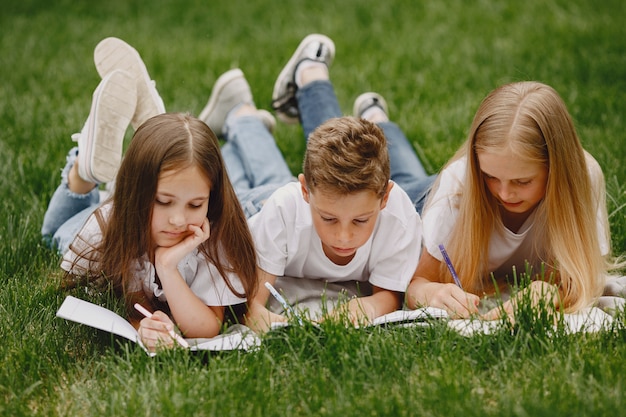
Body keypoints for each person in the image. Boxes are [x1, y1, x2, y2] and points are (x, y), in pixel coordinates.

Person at [42, 37, 258, 351]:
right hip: (96, 220)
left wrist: (168, 267)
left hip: (133, 197)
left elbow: (208, 327)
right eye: (163, 201)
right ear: (138, 194)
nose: (178, 219)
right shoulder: (100, 230)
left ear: (211, 198)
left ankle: (149, 134)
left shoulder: (215, 230)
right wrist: (138, 325)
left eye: (195, 203)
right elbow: (80, 305)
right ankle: (83, 172)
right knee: (54, 235)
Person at [197, 34, 424, 331]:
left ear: (385, 197)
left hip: (289, 206)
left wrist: (366, 305)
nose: (343, 237)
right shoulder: (286, 209)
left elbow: (389, 296)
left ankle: (241, 114)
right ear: (305, 190)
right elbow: (251, 307)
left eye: (360, 221)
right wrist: (282, 329)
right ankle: (240, 116)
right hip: (259, 210)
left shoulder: (399, 216)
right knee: (232, 192)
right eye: (328, 219)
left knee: (273, 180)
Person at [405, 80, 617, 319]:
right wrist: (433, 293)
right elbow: (416, 284)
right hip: (421, 198)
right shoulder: (458, 184)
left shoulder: (583, 177)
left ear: (557, 169)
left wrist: (548, 293)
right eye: (490, 176)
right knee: (397, 177)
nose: (504, 194)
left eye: (522, 181)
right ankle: (378, 119)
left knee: (409, 172)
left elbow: (581, 281)